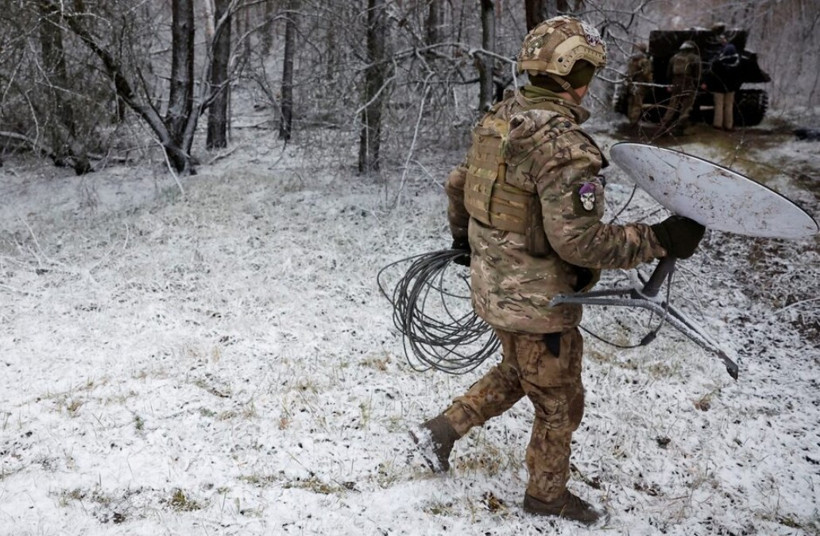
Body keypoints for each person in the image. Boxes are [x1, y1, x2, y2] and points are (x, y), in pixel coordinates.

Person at [410, 16, 706, 526]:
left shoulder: (500, 117)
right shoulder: (563, 147)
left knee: (519, 373)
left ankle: (441, 431)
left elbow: (459, 184)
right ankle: (546, 497)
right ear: (574, 75)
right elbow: (581, 241)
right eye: (589, 69)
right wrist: (658, 240)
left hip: (494, 287)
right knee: (560, 401)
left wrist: (464, 242)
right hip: (539, 305)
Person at [660, 40, 702, 135]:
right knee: (686, 108)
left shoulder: (674, 58)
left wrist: (670, 84)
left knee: (671, 107)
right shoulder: (695, 58)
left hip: (676, 85)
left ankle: (663, 127)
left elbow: (668, 74)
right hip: (688, 85)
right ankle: (679, 129)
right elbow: (697, 75)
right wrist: (696, 85)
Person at [704, 34, 740, 131]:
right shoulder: (737, 64)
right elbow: (738, 77)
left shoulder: (717, 63)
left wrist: (708, 84)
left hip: (718, 88)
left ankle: (717, 125)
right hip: (731, 88)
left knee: (719, 106)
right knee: (729, 106)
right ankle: (728, 125)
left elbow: (711, 75)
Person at [626, 42, 653, 125]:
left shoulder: (632, 60)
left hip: (631, 84)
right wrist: (650, 83)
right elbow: (646, 73)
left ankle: (630, 119)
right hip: (640, 84)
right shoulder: (644, 61)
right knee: (637, 104)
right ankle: (633, 122)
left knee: (631, 102)